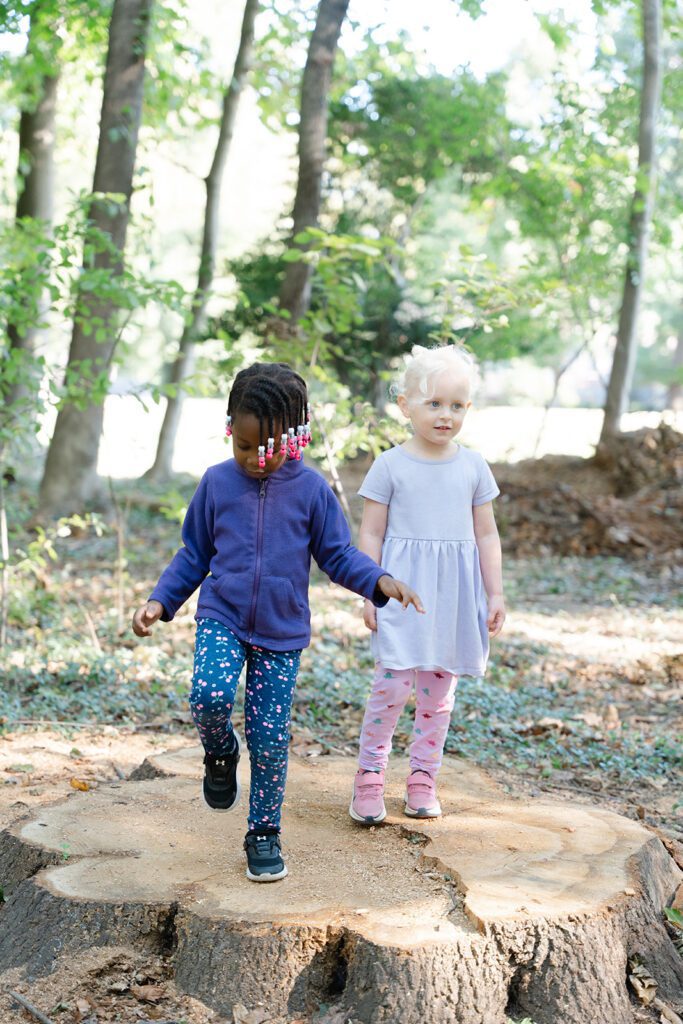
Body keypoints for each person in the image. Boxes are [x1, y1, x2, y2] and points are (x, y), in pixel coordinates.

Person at [132, 362, 423, 883]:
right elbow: (193, 553)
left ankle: (263, 832)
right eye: (241, 445)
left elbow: (337, 555)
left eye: (263, 447)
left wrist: (378, 581)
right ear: (229, 430)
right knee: (208, 697)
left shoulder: (311, 491)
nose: (251, 458)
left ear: (295, 436)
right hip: (221, 614)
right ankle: (220, 753)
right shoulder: (217, 483)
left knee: (269, 739)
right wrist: (161, 601)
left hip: (281, 633)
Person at [349, 344, 505, 825]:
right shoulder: (390, 465)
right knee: (391, 686)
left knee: (438, 695)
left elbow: (486, 533)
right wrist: (371, 590)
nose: (445, 415)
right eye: (434, 403)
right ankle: (370, 776)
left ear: (468, 409)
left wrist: (495, 592)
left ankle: (422, 777)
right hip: (402, 593)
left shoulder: (473, 466)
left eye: (456, 406)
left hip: (454, 598)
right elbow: (371, 532)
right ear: (405, 405)